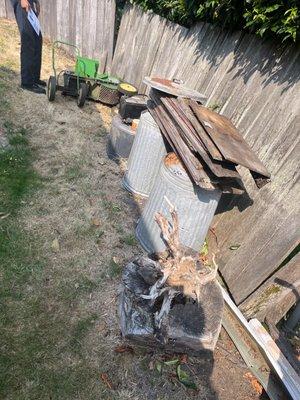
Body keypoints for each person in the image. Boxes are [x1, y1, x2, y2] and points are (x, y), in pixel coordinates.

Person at [10, 0, 46, 94]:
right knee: (28, 38)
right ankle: (27, 82)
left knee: (37, 38)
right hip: (21, 2)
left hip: (29, 2)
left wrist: (36, 2)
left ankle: (34, 77)